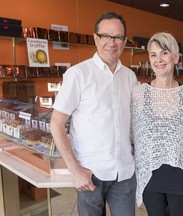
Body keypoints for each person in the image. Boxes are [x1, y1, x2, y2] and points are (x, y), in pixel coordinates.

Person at [50, 12, 138, 216]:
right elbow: (56, 123)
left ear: (124, 41)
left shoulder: (130, 77)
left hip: (124, 174)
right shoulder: (78, 74)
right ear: (96, 38)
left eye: (118, 37)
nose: (112, 42)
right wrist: (75, 170)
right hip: (89, 175)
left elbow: (134, 124)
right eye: (106, 36)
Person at [131, 32, 183, 216]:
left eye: (164, 53)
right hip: (149, 177)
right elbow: (132, 137)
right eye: (153, 54)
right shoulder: (138, 93)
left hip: (181, 177)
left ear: (176, 57)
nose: (159, 59)